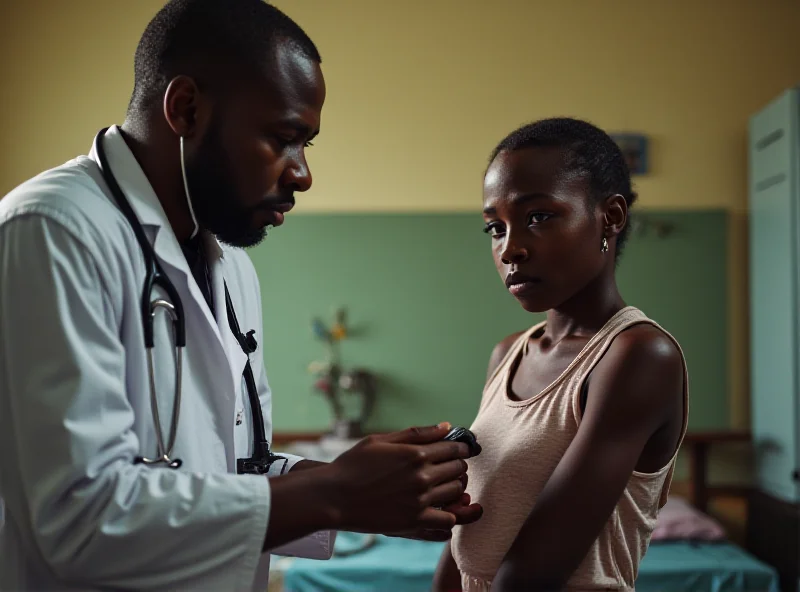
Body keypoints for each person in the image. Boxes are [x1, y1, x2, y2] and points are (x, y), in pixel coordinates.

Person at [0, 1, 481, 590]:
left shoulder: (228, 266)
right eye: (283, 138)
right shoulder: (52, 230)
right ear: (185, 108)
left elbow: (233, 468)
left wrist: (369, 492)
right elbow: (80, 520)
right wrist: (332, 494)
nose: (302, 174)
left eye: (307, 145)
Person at [433, 118, 688, 592]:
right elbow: (465, 536)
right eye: (495, 227)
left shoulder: (637, 355)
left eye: (538, 217)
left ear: (610, 216)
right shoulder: (509, 353)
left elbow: (533, 572)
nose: (510, 249)